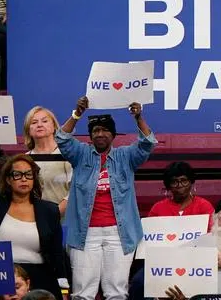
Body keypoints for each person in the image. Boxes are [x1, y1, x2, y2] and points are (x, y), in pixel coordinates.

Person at [57, 98, 156, 300]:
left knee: (117, 293)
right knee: (83, 293)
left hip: (119, 234)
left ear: (113, 135)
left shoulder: (125, 156)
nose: (100, 134)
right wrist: (77, 114)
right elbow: (62, 138)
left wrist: (138, 117)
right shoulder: (81, 154)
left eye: (105, 130)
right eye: (95, 131)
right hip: (85, 233)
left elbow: (147, 143)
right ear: (90, 136)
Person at [0, 141, 65, 298]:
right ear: (8, 179)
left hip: (40, 278)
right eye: (17, 174)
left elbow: (57, 253)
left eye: (28, 174)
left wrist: (63, 287)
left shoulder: (49, 210)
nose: (24, 179)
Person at [22, 107, 71, 216]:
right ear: (28, 129)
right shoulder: (24, 160)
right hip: (33, 221)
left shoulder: (68, 155)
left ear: (54, 126)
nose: (39, 125)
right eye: (34, 122)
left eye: (44, 121)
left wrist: (54, 214)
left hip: (65, 222)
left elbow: (75, 191)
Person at [148, 162, 215, 221]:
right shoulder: (158, 208)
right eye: (174, 182)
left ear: (191, 182)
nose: (180, 185)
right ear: (168, 185)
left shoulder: (204, 206)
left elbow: (212, 231)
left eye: (184, 180)